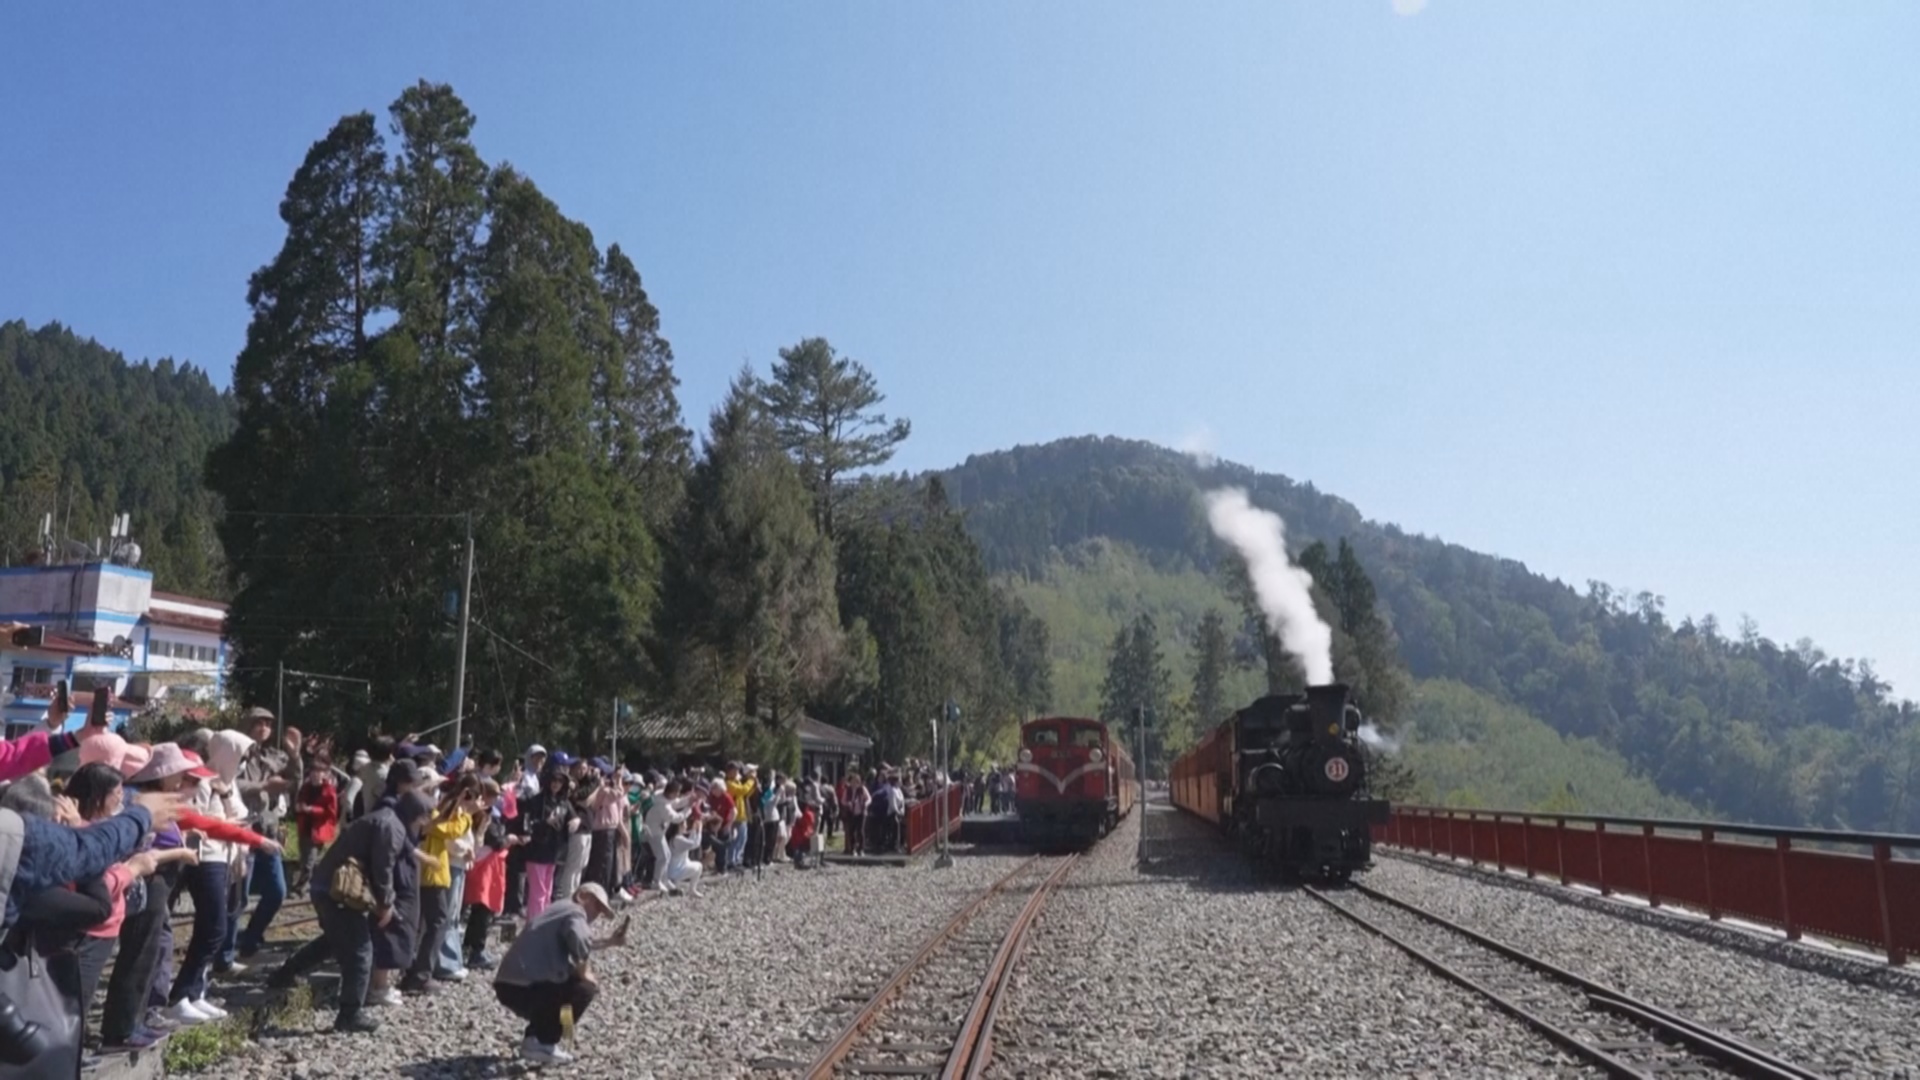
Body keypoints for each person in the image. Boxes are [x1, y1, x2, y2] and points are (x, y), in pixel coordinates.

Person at [492, 883, 628, 1065]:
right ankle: (544, 1041)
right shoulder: (575, 911)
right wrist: (586, 972)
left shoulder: (560, 910)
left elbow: (580, 940)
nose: (596, 914)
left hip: (510, 982)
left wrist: (610, 942)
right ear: (582, 896)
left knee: (568, 983)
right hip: (524, 984)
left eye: (601, 911)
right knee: (584, 988)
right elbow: (579, 941)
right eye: (596, 906)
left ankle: (539, 1036)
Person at [232, 708, 299, 965]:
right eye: (258, 722)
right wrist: (262, 786)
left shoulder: (272, 756)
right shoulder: (235, 752)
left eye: (268, 723)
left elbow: (295, 780)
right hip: (243, 832)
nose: (263, 727)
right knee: (239, 897)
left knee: (277, 891)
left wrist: (295, 755)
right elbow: (228, 783)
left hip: (268, 831)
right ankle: (225, 955)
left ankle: (250, 941)